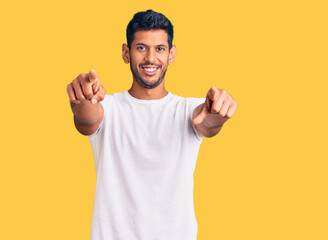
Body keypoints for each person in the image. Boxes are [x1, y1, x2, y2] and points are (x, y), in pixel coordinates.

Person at [66, 9, 237, 240]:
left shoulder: (188, 109)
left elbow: (207, 122)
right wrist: (83, 98)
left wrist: (218, 114)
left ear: (171, 55)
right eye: (141, 48)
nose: (150, 58)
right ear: (126, 53)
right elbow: (87, 118)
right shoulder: (109, 107)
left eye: (159, 49)